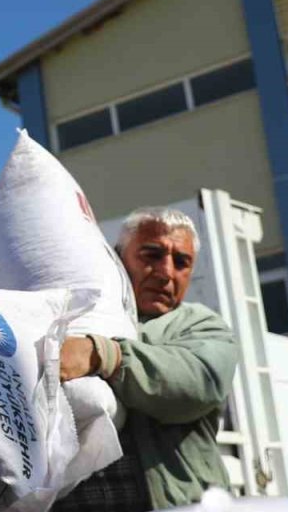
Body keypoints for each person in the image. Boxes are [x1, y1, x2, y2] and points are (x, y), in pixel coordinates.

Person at [57, 207, 239, 511]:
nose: (166, 272)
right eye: (151, 255)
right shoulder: (75, 319)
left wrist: (105, 355)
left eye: (181, 262)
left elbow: (199, 382)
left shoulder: (201, 325)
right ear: (118, 257)